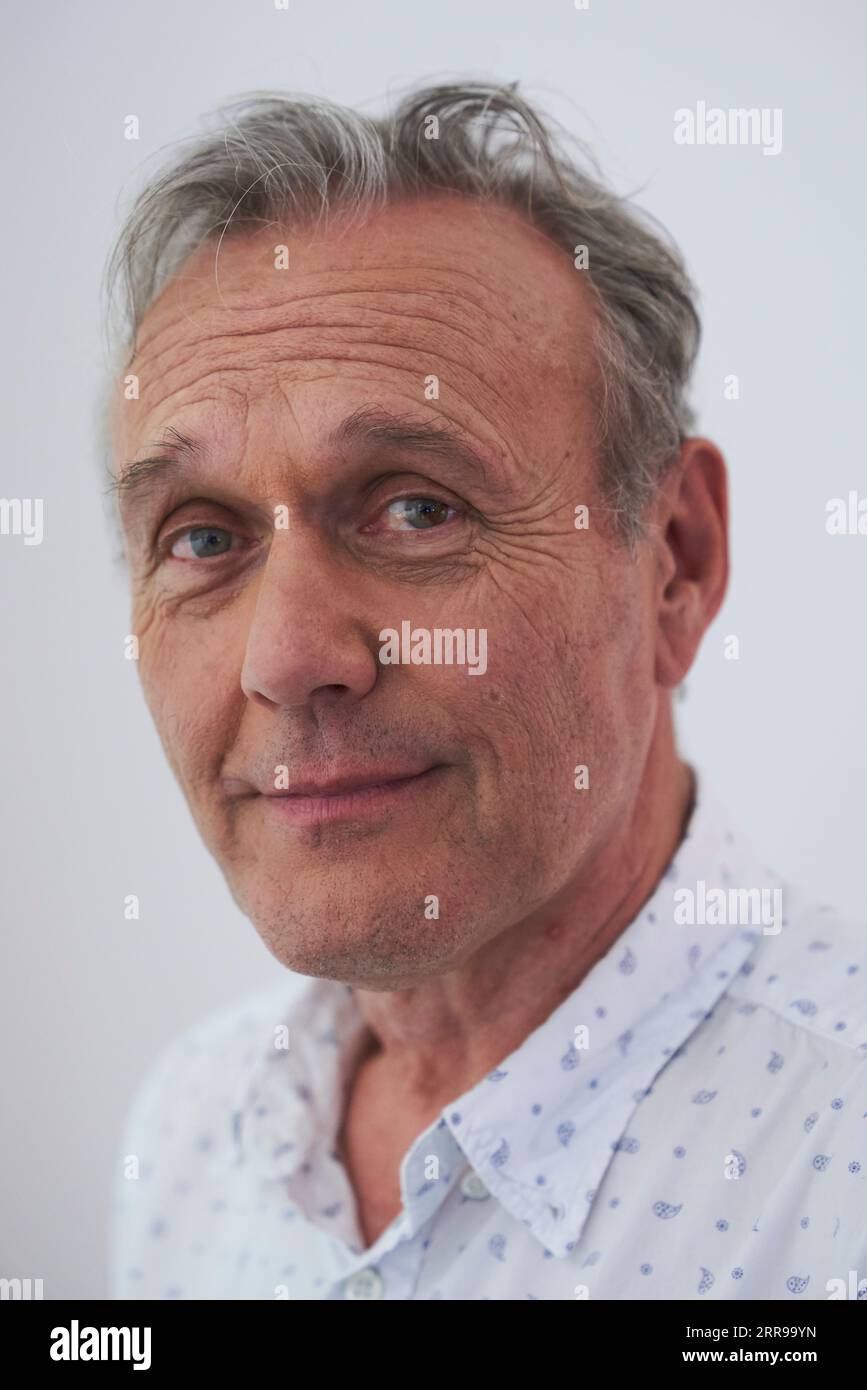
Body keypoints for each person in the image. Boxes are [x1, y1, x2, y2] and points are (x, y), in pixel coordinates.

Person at [106, 80, 866, 1301]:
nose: (288, 657)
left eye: (416, 507)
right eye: (203, 539)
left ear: (677, 562)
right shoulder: (191, 1128)